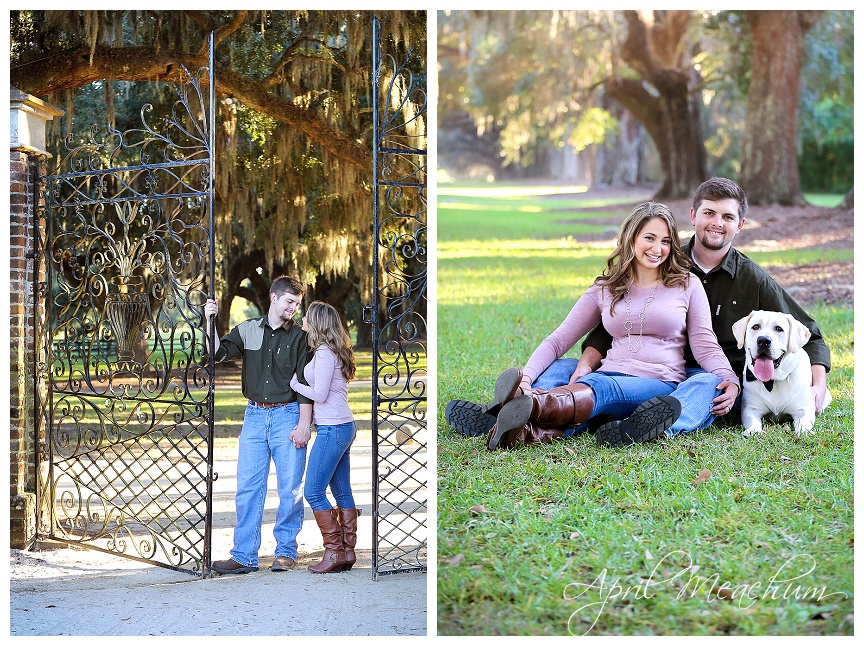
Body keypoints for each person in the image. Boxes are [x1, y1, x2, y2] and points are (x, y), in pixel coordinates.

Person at [447, 177, 831, 441]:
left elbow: (712, 342)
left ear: (740, 224)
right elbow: (578, 334)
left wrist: (808, 384)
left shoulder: (716, 279)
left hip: (678, 376)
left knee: (700, 383)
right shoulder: (640, 273)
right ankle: (512, 417)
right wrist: (543, 373)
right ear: (694, 216)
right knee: (559, 372)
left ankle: (596, 420)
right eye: (709, 213)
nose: (658, 248)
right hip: (618, 367)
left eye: (728, 216)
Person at [483, 200, 739, 450]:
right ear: (632, 238)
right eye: (649, 238)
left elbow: (705, 345)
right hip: (607, 373)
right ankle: (521, 430)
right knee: (560, 369)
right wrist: (526, 378)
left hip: (658, 383)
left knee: (707, 382)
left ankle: (529, 407)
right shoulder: (605, 288)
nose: (657, 248)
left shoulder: (687, 284)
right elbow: (558, 340)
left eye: (665, 241)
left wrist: (730, 379)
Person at [204, 276, 313, 575]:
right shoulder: (249, 330)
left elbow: (304, 383)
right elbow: (216, 353)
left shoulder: (300, 337)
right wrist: (209, 321)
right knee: (248, 488)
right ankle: (244, 556)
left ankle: (285, 552)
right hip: (253, 416)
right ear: (274, 297)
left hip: (288, 415)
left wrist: (305, 424)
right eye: (289, 302)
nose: (293, 308)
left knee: (290, 488)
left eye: (297, 304)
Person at [289, 301, 360, 574]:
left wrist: (294, 382)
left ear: (316, 322)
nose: (302, 319)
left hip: (333, 429)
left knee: (313, 491)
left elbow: (318, 394)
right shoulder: (331, 351)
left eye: (306, 316)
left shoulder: (323, 353)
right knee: (342, 491)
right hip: (342, 426)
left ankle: (333, 552)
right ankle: (347, 551)